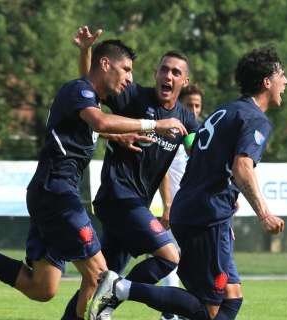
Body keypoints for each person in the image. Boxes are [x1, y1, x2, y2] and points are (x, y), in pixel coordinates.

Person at [0, 39, 187, 320]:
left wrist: (119, 135)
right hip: (57, 193)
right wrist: (155, 124)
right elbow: (100, 122)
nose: (130, 78)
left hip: (50, 194)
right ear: (106, 64)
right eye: (126, 69)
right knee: (101, 278)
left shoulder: (88, 99)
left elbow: (93, 127)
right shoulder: (79, 90)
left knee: (42, 287)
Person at [89, 47, 287, 320]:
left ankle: (121, 289)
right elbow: (243, 167)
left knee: (232, 297)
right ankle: (122, 288)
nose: (285, 82)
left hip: (201, 212)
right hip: (204, 216)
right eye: (282, 75)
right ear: (267, 81)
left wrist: (225, 212)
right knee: (206, 309)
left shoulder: (226, 111)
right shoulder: (255, 119)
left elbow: (201, 162)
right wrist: (263, 214)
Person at [70, 26, 199, 320]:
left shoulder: (186, 119)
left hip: (134, 205)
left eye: (176, 73)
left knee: (98, 278)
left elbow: (200, 153)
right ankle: (115, 297)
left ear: (184, 81)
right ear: (156, 73)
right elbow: (89, 88)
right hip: (118, 197)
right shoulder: (133, 97)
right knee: (169, 256)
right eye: (164, 69)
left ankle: (94, 304)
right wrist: (85, 51)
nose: (168, 76)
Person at [156, 84, 204, 320]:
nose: (193, 110)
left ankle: (178, 310)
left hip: (194, 212)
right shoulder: (173, 133)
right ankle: (169, 312)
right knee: (169, 261)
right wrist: (167, 205)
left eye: (197, 106)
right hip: (173, 209)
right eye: (189, 105)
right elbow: (163, 172)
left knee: (191, 265)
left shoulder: (200, 138)